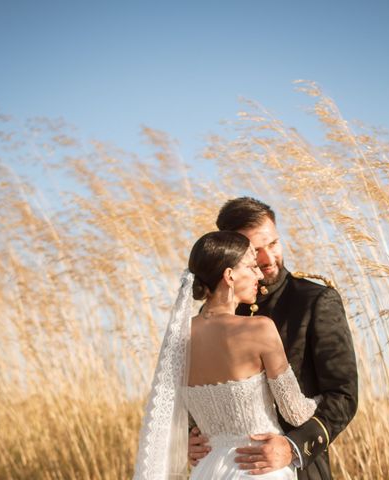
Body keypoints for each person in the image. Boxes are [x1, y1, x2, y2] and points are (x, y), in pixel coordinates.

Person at [189, 198, 358, 480]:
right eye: (255, 251)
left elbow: (343, 396)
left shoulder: (315, 300)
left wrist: (293, 447)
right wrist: (189, 438)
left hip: (300, 468)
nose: (267, 259)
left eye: (274, 244)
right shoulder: (211, 316)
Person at [133, 231, 319, 479]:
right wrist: (324, 399)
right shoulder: (260, 328)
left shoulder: (178, 338)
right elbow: (295, 412)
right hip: (258, 467)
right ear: (229, 276)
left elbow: (174, 413)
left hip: (207, 470)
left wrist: (191, 440)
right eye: (252, 267)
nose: (260, 275)